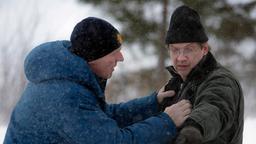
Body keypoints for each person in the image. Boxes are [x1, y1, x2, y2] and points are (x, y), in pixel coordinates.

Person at [4, 17, 192, 144]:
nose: (121, 58)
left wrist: (152, 103)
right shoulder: (65, 96)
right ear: (93, 58)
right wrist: (167, 121)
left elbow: (102, 117)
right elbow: (116, 141)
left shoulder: (66, 79)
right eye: (113, 53)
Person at [161, 5, 244, 144]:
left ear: (204, 49)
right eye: (175, 50)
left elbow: (215, 107)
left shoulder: (221, 80)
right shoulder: (178, 83)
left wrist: (194, 128)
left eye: (189, 49)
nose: (181, 58)